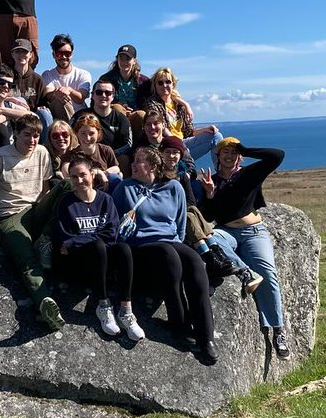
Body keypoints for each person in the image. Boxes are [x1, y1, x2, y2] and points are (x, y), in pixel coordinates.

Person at [112, 147, 217, 363]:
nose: (131, 165)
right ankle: (178, 325)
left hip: (170, 242)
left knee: (194, 259)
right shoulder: (125, 188)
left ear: (152, 166)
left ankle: (206, 337)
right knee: (168, 253)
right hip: (140, 246)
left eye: (138, 162)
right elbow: (114, 222)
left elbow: (179, 226)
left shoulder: (174, 187)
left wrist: (179, 245)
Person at [197, 138, 289, 357]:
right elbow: (209, 216)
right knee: (212, 238)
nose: (229, 156)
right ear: (217, 157)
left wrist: (246, 149)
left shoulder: (249, 173)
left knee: (268, 272)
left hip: (253, 232)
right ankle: (245, 271)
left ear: (240, 157)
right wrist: (209, 194)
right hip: (227, 232)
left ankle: (278, 330)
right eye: (224, 152)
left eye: (234, 152)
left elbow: (277, 154)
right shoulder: (212, 180)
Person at [0, 112, 63, 329]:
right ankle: (44, 302)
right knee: (26, 256)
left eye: (36, 136)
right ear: (15, 134)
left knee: (65, 186)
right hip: (7, 216)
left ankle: (44, 239)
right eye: (27, 135)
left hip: (34, 209)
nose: (32, 141)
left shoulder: (42, 152)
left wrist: (46, 222)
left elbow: (44, 188)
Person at [52, 154, 144, 341]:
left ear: (92, 175)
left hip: (103, 260)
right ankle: (103, 305)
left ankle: (126, 310)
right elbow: (64, 239)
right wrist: (78, 242)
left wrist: (76, 241)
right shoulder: (66, 203)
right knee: (98, 245)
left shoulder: (105, 200)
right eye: (74, 177)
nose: (79, 180)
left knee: (123, 249)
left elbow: (112, 233)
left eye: (83, 175)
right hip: (79, 263)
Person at [160, 136, 258, 293]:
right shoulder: (156, 175)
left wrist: (210, 194)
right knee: (189, 214)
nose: (172, 156)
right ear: (160, 153)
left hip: (184, 217)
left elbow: (191, 202)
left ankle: (214, 254)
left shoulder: (183, 175)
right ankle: (211, 255)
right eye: (168, 152)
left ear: (180, 155)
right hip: (165, 217)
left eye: (175, 152)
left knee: (191, 211)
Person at [141, 67, 221, 163]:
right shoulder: (152, 103)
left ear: (173, 84)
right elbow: (162, 128)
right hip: (168, 146)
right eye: (160, 83)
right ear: (155, 86)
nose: (164, 85)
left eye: (168, 82)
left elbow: (188, 131)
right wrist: (177, 144)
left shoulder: (179, 104)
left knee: (216, 136)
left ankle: (221, 173)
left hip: (184, 143)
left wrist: (205, 129)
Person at [96, 43, 149, 139]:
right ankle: (119, 141)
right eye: (121, 58)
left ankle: (137, 144)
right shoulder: (107, 79)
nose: (124, 62)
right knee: (117, 108)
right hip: (113, 116)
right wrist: (117, 106)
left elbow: (150, 101)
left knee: (141, 115)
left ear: (134, 61)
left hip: (135, 116)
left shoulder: (144, 81)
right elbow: (96, 100)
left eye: (128, 59)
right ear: (117, 60)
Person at [71, 77, 132, 154]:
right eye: (99, 92)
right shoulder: (79, 116)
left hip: (113, 157)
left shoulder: (121, 119)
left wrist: (108, 155)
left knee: (124, 159)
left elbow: (127, 144)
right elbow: (70, 135)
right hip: (84, 155)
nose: (103, 95)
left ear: (113, 96)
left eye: (108, 93)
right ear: (92, 95)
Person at [40, 34, 92, 122]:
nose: (64, 57)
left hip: (80, 118)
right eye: (59, 53)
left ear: (72, 54)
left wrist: (70, 90)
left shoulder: (83, 74)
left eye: (67, 53)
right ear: (53, 55)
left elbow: (81, 97)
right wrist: (57, 93)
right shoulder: (47, 74)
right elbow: (48, 94)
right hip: (57, 119)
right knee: (59, 99)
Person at [10, 38, 53, 131]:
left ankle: (47, 143)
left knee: (45, 114)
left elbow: (43, 103)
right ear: (12, 54)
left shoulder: (38, 79)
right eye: (17, 51)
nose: (21, 55)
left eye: (24, 52)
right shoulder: (6, 76)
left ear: (30, 55)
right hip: (10, 117)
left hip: (32, 120)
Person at [71, 113, 121, 189]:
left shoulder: (106, 150)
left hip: (106, 188)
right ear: (77, 134)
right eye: (83, 133)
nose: (87, 138)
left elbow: (116, 168)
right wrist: (97, 172)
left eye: (91, 133)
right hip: (84, 190)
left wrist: (104, 173)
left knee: (115, 177)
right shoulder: (73, 155)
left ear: (98, 133)